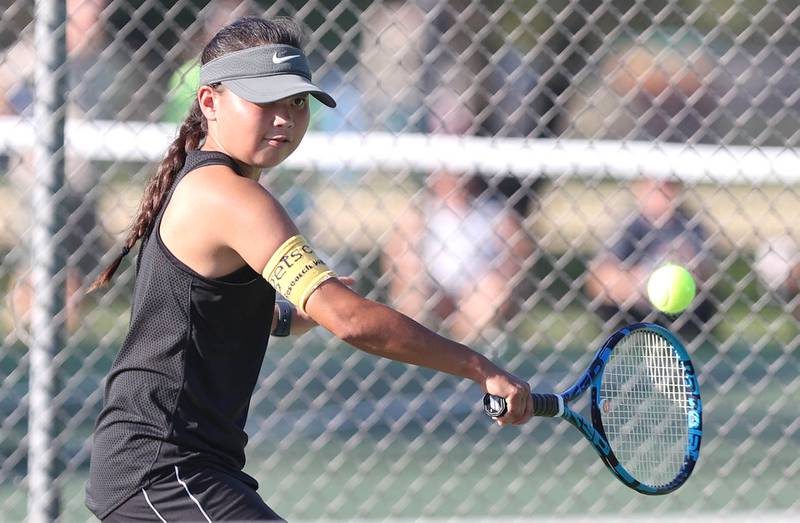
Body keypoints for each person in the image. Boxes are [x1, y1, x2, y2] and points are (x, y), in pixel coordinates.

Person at [84, 16, 533, 522]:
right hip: (164, 472)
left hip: (181, 468)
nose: (283, 118)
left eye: (295, 102)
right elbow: (353, 322)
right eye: (264, 100)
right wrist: (481, 367)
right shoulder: (231, 197)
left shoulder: (216, 184)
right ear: (210, 102)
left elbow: (202, 310)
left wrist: (291, 315)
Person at [585, 177, 715, 337]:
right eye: (654, 186)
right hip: (632, 312)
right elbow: (599, 281)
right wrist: (640, 281)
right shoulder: (628, 224)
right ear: (640, 188)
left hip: (678, 316)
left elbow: (707, 273)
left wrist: (692, 268)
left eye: (668, 185)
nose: (662, 192)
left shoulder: (690, 224)